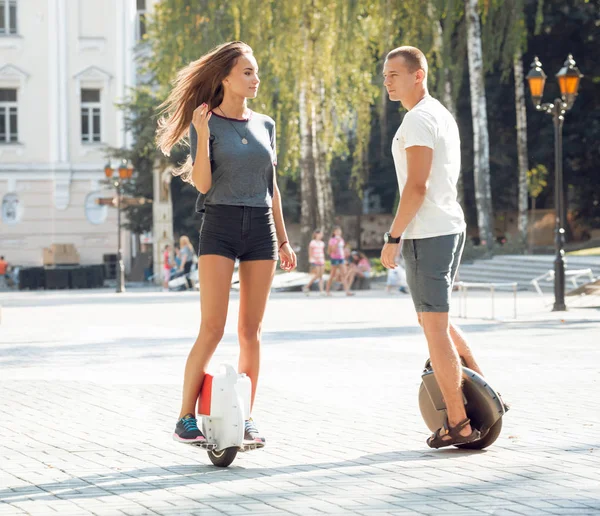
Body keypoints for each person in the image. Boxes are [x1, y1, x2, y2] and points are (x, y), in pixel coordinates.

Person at [156, 41, 297, 447]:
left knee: (251, 331)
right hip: (219, 224)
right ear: (225, 78)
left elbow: (272, 188)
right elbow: (202, 183)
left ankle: (247, 417)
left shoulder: (266, 124)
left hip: (260, 229)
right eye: (248, 72)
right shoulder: (208, 123)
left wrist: (284, 239)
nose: (255, 79)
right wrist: (200, 133)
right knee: (213, 329)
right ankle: (185, 417)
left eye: (256, 71)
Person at [380, 46, 485, 448]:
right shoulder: (437, 112)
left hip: (428, 235)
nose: (387, 81)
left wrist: (393, 236)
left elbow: (417, 186)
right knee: (433, 322)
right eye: (386, 74)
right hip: (446, 228)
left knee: (435, 329)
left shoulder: (420, 119)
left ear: (418, 75)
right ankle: (483, 386)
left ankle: (458, 423)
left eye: (394, 74)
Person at [325, 226, 354, 296]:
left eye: (339, 231)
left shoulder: (342, 240)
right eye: (337, 231)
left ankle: (347, 291)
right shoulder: (332, 240)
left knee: (344, 274)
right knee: (332, 275)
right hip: (334, 258)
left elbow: (342, 249)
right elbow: (333, 250)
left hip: (341, 258)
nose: (338, 233)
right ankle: (327, 291)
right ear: (334, 232)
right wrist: (337, 242)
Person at [303, 229, 325, 295]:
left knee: (321, 276)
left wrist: (323, 259)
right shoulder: (312, 242)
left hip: (321, 259)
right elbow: (310, 252)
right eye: (320, 234)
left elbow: (322, 252)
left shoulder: (322, 243)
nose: (321, 235)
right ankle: (307, 286)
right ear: (316, 234)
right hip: (315, 260)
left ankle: (321, 291)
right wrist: (314, 258)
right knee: (317, 274)